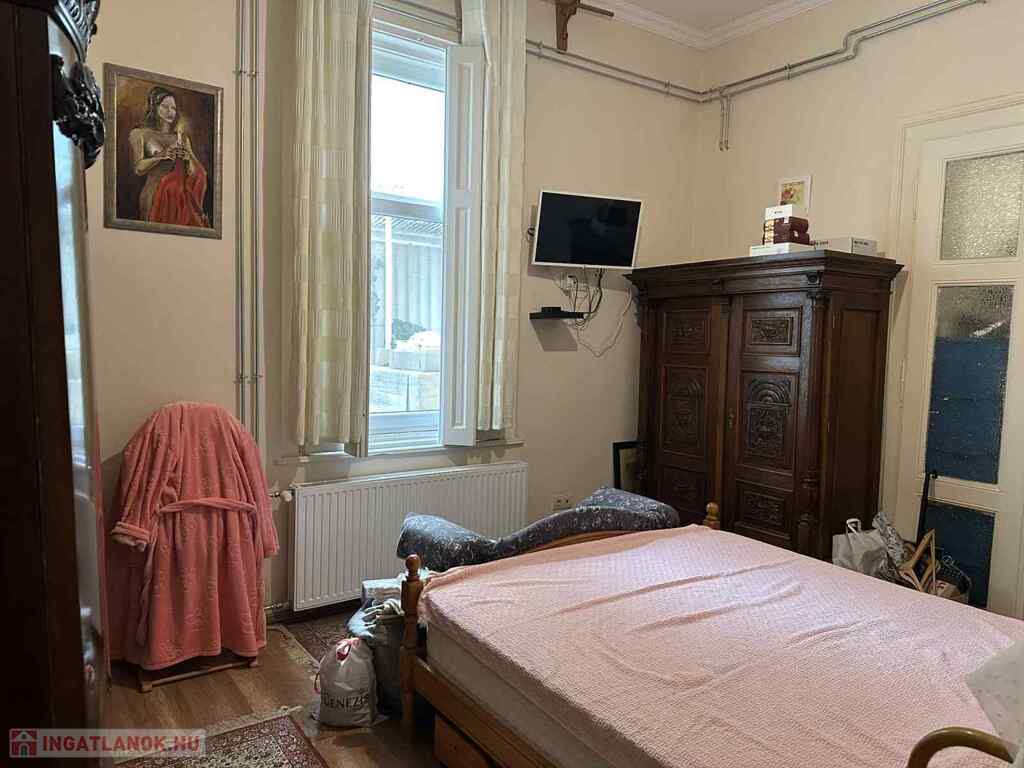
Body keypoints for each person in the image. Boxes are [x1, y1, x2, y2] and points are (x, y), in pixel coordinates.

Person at [127, 86, 209, 227]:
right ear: (154, 107)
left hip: (181, 202)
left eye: (173, 108)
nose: (170, 112)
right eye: (165, 107)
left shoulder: (183, 139)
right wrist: (161, 156)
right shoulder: (139, 134)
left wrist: (188, 159)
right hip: (154, 196)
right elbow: (138, 168)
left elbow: (198, 173)